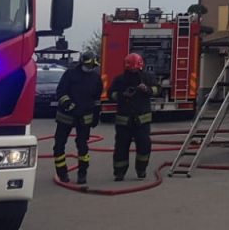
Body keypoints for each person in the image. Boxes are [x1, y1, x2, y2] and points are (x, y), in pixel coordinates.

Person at [52, 51, 103, 184]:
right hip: (66, 116)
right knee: (59, 145)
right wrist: (67, 103)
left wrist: (96, 115)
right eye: (89, 65)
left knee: (82, 146)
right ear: (82, 63)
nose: (90, 67)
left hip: (84, 117)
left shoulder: (96, 78)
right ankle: (62, 172)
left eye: (93, 65)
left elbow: (97, 99)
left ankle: (82, 173)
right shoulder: (70, 74)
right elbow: (60, 91)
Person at [108, 53, 159, 181]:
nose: (133, 70)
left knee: (144, 147)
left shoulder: (147, 78)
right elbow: (111, 94)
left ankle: (141, 170)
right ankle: (119, 172)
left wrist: (146, 89)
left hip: (142, 121)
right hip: (124, 122)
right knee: (121, 148)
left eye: (135, 68)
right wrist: (122, 95)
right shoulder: (120, 79)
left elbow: (157, 90)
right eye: (131, 68)